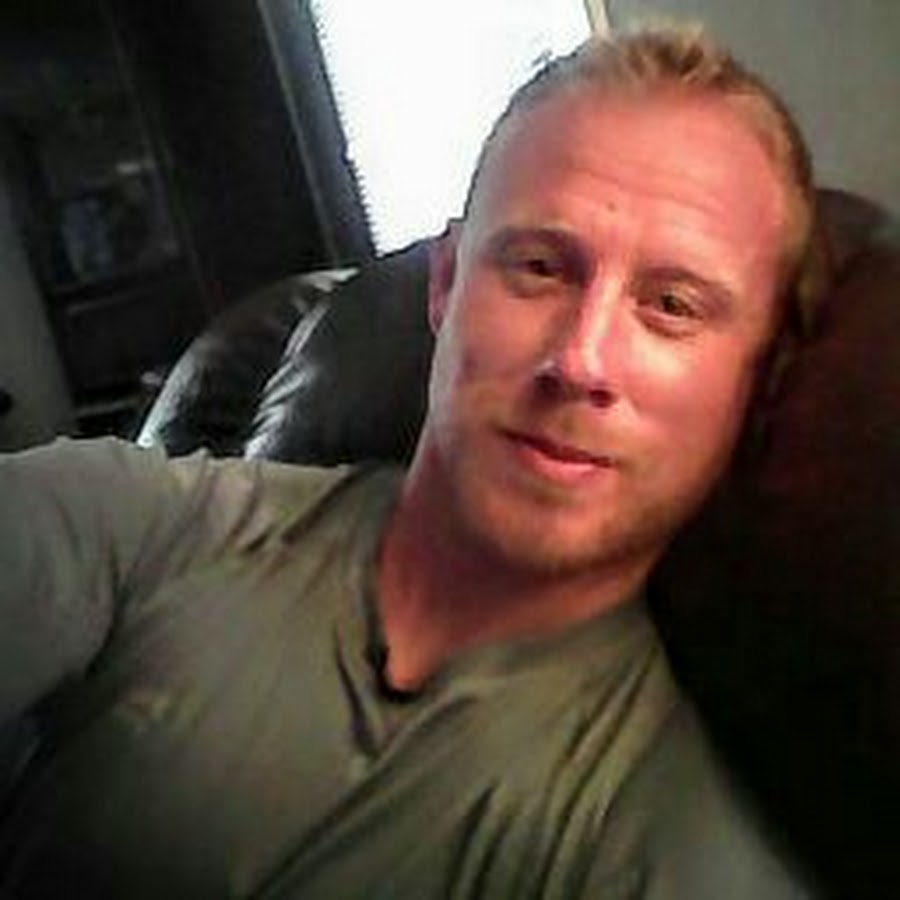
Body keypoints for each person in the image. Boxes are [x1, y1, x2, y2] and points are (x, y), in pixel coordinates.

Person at [0, 25, 820, 899]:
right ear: (444, 284)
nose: (580, 360)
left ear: (759, 377)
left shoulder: (661, 837)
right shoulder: (145, 526)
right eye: (539, 266)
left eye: (672, 305)